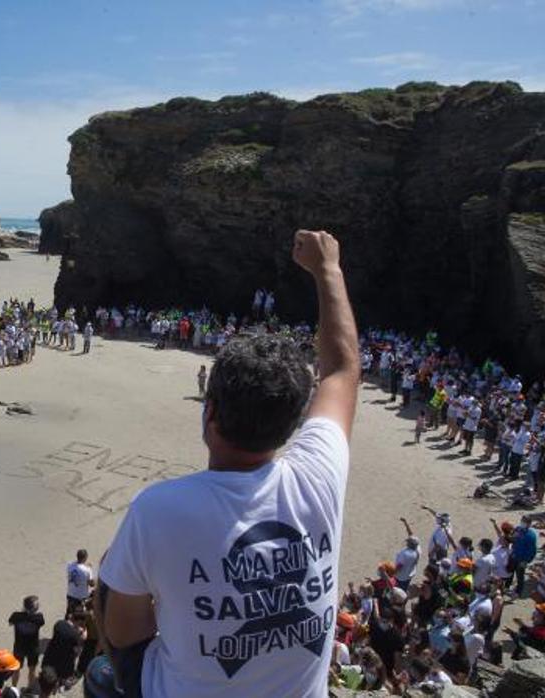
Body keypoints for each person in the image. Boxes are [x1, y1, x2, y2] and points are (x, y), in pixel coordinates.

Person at [99, 229, 359, 695]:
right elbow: (342, 370)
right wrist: (329, 271)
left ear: (210, 411)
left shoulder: (159, 508)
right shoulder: (319, 475)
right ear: (293, 422)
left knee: (111, 596)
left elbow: (124, 634)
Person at [8, 595, 44, 690]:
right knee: (32, 670)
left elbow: (10, 623)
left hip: (19, 647)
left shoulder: (16, 616)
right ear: (34, 608)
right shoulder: (39, 618)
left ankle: (14, 688)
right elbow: (41, 624)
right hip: (33, 648)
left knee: (16, 669)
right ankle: (29, 688)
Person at [66, 549, 94, 615]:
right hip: (81, 597)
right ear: (85, 558)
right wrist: (90, 568)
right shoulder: (87, 570)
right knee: (80, 616)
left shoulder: (69, 566)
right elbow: (91, 584)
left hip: (71, 595)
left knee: (69, 614)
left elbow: (76, 564)